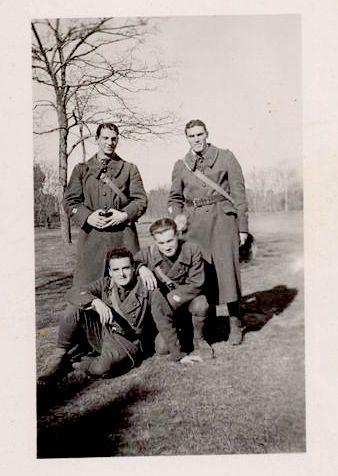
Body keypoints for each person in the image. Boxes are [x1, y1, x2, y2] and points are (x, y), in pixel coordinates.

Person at [168, 119, 249, 345]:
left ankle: (235, 322)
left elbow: (239, 195)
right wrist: (178, 216)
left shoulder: (226, 157)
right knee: (203, 274)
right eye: (192, 136)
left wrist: (242, 227)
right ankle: (210, 321)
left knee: (228, 271)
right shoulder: (181, 165)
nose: (197, 139)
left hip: (223, 221)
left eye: (200, 134)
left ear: (207, 134)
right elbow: (174, 198)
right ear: (187, 138)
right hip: (194, 227)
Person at [38, 248, 152, 382]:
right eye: (116, 270)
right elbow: (72, 293)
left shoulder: (143, 284)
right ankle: (59, 356)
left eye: (125, 268)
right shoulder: (105, 283)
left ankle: (75, 364)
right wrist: (95, 301)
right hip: (103, 332)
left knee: (102, 368)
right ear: (110, 271)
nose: (121, 274)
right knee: (74, 307)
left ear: (133, 268)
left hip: (124, 340)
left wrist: (143, 268)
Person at [63, 122, 147, 286]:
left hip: (123, 238)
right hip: (91, 240)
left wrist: (124, 215)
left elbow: (141, 200)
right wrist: (88, 217)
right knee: (86, 290)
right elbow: (70, 201)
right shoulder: (82, 170)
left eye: (113, 139)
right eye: (105, 138)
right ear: (97, 139)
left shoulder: (129, 169)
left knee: (128, 289)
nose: (110, 142)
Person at [136, 218, 214, 362]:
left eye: (170, 240)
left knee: (201, 304)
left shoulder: (192, 249)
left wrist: (171, 299)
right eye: (161, 243)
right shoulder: (148, 253)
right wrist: (141, 268)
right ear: (155, 241)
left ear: (178, 235)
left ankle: (200, 339)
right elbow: (131, 262)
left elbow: (197, 283)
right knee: (162, 349)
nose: (167, 247)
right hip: (167, 313)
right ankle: (181, 334)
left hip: (187, 302)